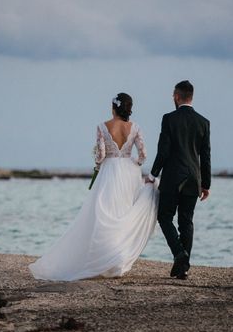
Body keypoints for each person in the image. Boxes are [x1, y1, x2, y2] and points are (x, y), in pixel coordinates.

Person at [29, 93, 158, 281]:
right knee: (123, 213)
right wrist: (133, 164)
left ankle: (103, 259)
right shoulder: (135, 127)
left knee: (104, 215)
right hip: (128, 173)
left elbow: (100, 156)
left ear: (113, 107)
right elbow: (143, 155)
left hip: (109, 172)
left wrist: (98, 166)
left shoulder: (102, 127)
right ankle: (117, 260)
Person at [145, 80, 211, 280]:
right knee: (186, 222)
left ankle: (180, 255)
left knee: (165, 217)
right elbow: (205, 156)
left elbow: (163, 151)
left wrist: (152, 174)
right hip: (193, 178)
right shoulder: (203, 122)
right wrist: (206, 183)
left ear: (176, 96)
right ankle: (182, 267)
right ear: (191, 96)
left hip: (172, 177)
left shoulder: (169, 119)